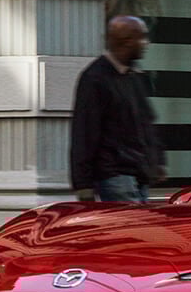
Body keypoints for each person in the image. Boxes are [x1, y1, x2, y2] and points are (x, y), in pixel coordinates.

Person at [69, 15, 166, 203]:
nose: (146, 43)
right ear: (127, 41)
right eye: (142, 37)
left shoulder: (133, 75)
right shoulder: (96, 78)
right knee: (130, 221)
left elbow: (146, 122)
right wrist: (83, 184)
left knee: (137, 221)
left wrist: (156, 160)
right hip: (114, 174)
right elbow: (85, 132)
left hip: (137, 173)